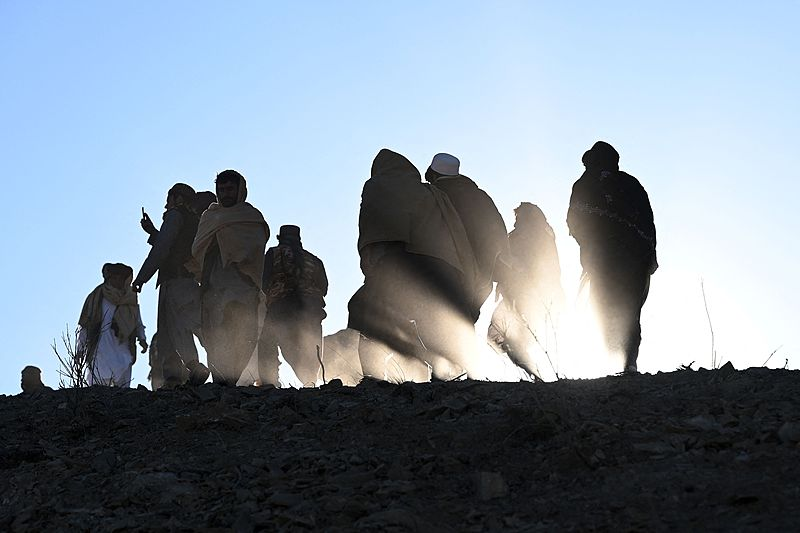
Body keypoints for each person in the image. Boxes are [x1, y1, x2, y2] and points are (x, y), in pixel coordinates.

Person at [348, 149, 493, 382]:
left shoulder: (380, 184)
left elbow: (377, 227)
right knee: (439, 322)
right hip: (448, 270)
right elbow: (458, 236)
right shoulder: (434, 193)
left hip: (405, 260)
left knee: (366, 312)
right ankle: (451, 376)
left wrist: (374, 268)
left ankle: (374, 377)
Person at [567, 141, 657, 373]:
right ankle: (628, 363)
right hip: (634, 261)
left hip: (603, 261)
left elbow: (574, 221)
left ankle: (615, 361)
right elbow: (648, 223)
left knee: (604, 307)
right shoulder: (631, 184)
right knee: (629, 311)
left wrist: (591, 245)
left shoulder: (585, 184)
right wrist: (649, 254)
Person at [192, 170, 269, 385]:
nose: (225, 193)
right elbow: (197, 250)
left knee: (243, 333)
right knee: (214, 333)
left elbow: (253, 249)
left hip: (242, 284)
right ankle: (219, 382)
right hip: (213, 285)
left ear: (240, 190)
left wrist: (232, 248)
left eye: (230, 189)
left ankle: (232, 381)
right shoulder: (209, 217)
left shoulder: (251, 217)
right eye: (221, 189)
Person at [133, 183, 209, 389]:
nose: (166, 203)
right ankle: (205, 367)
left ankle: (181, 375)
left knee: (171, 331)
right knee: (195, 326)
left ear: (178, 198)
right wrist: (152, 232)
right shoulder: (195, 220)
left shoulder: (175, 216)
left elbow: (163, 248)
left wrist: (141, 278)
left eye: (169, 198)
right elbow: (174, 244)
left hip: (174, 281)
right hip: (190, 281)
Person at [424, 153, 509, 322]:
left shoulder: (434, 195)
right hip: (483, 275)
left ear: (432, 174)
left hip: (449, 270)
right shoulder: (479, 195)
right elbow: (498, 231)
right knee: (465, 323)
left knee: (440, 325)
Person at [487, 203, 564, 379]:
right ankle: (533, 375)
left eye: (518, 217)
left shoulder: (529, 236)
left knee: (505, 337)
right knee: (501, 337)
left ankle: (534, 375)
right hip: (521, 295)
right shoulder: (540, 234)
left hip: (524, 296)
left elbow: (524, 265)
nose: (515, 222)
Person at [259, 225, 328, 387]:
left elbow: (263, 282)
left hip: (281, 307)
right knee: (310, 346)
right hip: (312, 310)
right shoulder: (314, 260)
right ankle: (310, 382)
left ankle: (269, 383)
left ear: (280, 238)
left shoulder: (272, 254)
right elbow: (324, 288)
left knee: (267, 341)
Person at [78, 263, 148, 387]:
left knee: (123, 389)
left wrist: (142, 338)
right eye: (115, 277)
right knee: (97, 389)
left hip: (123, 349)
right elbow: (85, 325)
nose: (118, 281)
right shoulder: (96, 297)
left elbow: (137, 320)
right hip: (101, 348)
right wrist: (80, 349)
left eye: (121, 278)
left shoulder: (130, 297)